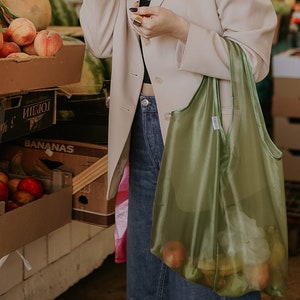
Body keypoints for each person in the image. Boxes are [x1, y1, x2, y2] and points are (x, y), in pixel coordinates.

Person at [79, 1, 277, 299]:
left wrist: (181, 30)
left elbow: (253, 60)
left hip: (206, 133)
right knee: (148, 275)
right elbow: (101, 42)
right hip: (142, 125)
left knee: (203, 275)